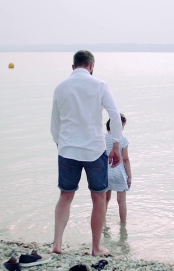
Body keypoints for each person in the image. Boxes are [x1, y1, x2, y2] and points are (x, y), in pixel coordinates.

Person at [50, 50, 123, 257]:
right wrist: (116, 145)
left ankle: (57, 244)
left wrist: (60, 145)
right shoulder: (100, 85)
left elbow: (55, 124)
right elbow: (115, 116)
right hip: (94, 150)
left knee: (65, 196)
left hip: (67, 150)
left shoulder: (61, 87)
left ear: (73, 67)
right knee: (99, 198)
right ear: (91, 65)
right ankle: (95, 248)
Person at [105, 114, 132, 223]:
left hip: (105, 173)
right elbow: (125, 159)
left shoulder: (102, 137)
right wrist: (129, 176)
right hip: (119, 174)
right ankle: (123, 226)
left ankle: (103, 224)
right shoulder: (123, 139)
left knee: (105, 200)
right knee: (121, 201)